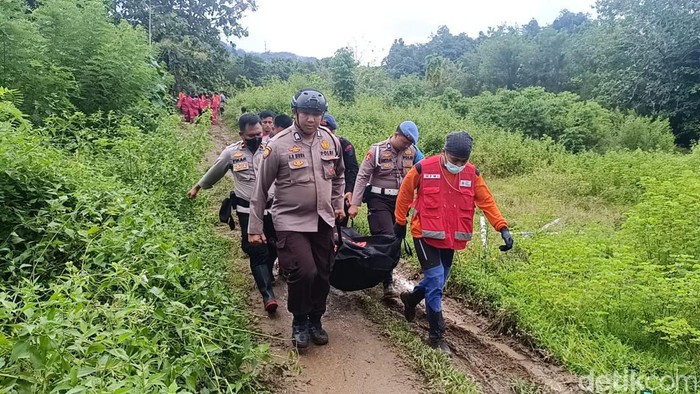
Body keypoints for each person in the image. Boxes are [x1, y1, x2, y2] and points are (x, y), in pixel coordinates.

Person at [393, 131, 514, 355]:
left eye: (462, 161)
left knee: (437, 281)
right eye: (454, 160)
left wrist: (502, 227)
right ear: (443, 152)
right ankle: (436, 337)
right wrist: (400, 224)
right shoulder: (423, 168)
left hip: (450, 238)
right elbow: (405, 194)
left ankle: (411, 299)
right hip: (424, 234)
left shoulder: (472, 174)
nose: (458, 165)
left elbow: (487, 201)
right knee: (436, 280)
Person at [248, 88, 345, 349]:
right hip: (290, 221)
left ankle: (316, 319)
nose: (311, 119)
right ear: (295, 113)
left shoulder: (330, 141)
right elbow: (260, 187)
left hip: (323, 220)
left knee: (323, 273)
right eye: (306, 114)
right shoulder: (277, 145)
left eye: (317, 114)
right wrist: (254, 227)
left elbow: (338, 176)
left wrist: (338, 203)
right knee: (304, 271)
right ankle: (299, 320)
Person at [187, 113, 279, 314]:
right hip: (247, 210)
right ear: (241, 134)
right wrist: (198, 187)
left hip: (273, 209)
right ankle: (268, 295)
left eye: (259, 134)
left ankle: (268, 271)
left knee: (274, 245)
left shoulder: (271, 149)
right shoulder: (232, 153)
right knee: (256, 250)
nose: (256, 139)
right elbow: (215, 171)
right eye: (250, 136)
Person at [347, 121, 419, 298]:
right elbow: (362, 175)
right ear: (396, 134)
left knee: (395, 240)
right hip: (379, 200)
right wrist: (355, 203)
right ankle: (387, 281)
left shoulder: (413, 152)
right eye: (405, 141)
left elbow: (421, 174)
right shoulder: (377, 150)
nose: (407, 145)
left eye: (410, 143)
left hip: (401, 202)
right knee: (386, 237)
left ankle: (380, 272)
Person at [321, 114, 358, 227]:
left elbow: (352, 169)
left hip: (340, 192)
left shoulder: (343, 144)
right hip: (320, 193)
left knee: (339, 228)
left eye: (329, 131)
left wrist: (349, 191)